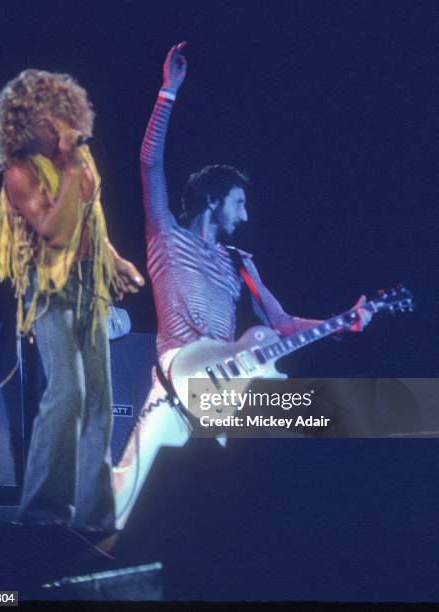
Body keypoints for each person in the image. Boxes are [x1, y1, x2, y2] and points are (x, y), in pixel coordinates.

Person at [112, 43, 372, 529]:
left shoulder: (240, 261)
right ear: (213, 201)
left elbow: (285, 322)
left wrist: (343, 323)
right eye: (239, 203)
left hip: (224, 378)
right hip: (178, 365)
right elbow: (149, 165)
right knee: (119, 510)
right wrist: (168, 91)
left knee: (265, 350)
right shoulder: (165, 235)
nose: (246, 215)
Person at [0, 69, 144, 532]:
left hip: (89, 284)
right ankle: (42, 507)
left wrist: (115, 261)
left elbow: (90, 219)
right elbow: (52, 229)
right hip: (48, 287)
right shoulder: (18, 171)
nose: (56, 123)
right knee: (68, 391)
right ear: (24, 120)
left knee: (99, 400)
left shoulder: (80, 161)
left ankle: (94, 512)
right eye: (45, 115)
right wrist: (72, 166)